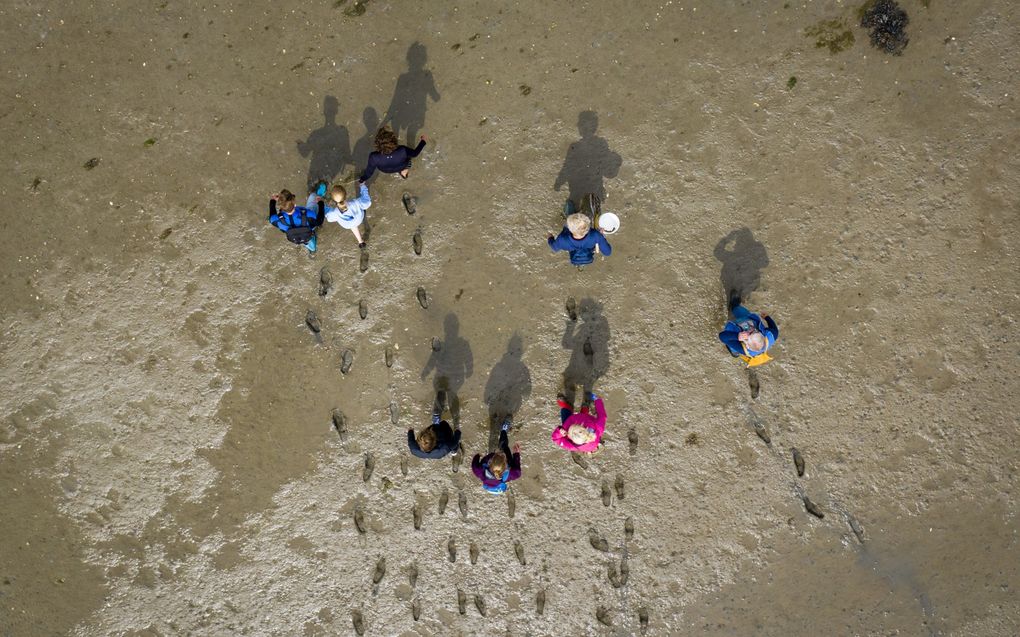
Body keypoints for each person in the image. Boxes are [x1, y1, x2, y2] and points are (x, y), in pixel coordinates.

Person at [718, 295, 779, 367]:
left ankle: (734, 352)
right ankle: (735, 306)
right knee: (739, 310)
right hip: (747, 319)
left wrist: (737, 336)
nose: (751, 329)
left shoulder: (743, 349)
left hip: (737, 335)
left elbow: (722, 337)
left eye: (749, 335)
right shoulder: (771, 337)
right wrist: (767, 318)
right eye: (755, 331)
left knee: (732, 345)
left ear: (747, 346)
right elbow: (775, 329)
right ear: (763, 335)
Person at [358, 127, 427, 182]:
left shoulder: (374, 157)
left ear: (377, 144)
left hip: (386, 170)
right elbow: (415, 154)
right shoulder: (402, 150)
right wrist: (423, 142)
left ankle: (402, 171)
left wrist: (363, 179)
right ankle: (404, 172)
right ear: (394, 141)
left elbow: (369, 171)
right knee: (407, 161)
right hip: (402, 166)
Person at [268, 187, 325, 253]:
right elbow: (319, 221)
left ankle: (312, 250)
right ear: (294, 204)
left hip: (297, 237)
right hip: (309, 229)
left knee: (306, 241)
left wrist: (272, 200)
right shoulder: (309, 214)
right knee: (313, 197)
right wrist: (321, 203)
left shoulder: (275, 220)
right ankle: (318, 196)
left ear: (281, 207)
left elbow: (271, 215)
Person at [471, 420, 521, 494]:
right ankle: (503, 431)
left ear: (490, 462)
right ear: (506, 464)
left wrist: (477, 456)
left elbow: (474, 466)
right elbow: (518, 472)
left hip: (496, 485)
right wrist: (516, 455)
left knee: (503, 446)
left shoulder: (481, 470)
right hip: (495, 482)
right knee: (504, 446)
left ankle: (503, 431)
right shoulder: (480, 472)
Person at [408, 392, 461, 459]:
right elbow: (455, 441)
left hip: (438, 438)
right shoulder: (445, 447)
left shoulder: (414, 450)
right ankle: (454, 452)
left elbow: (410, 438)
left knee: (436, 420)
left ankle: (454, 452)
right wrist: (457, 431)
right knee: (453, 445)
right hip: (445, 434)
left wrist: (410, 431)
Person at [548, 212, 612, 266]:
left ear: (569, 228)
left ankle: (569, 210)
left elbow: (554, 247)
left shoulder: (562, 240)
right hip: (589, 247)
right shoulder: (596, 235)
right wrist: (601, 236)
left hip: (572, 248)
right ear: (587, 228)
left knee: (569, 211)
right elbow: (607, 252)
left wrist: (550, 237)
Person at [324, 183, 371, 249]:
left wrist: (322, 205)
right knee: (361, 211)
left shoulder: (335, 212)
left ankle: (360, 242)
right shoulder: (356, 203)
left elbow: (328, 217)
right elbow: (367, 202)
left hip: (347, 224)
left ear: (334, 199)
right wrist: (363, 187)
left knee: (353, 227)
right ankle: (360, 241)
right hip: (359, 218)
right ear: (346, 194)